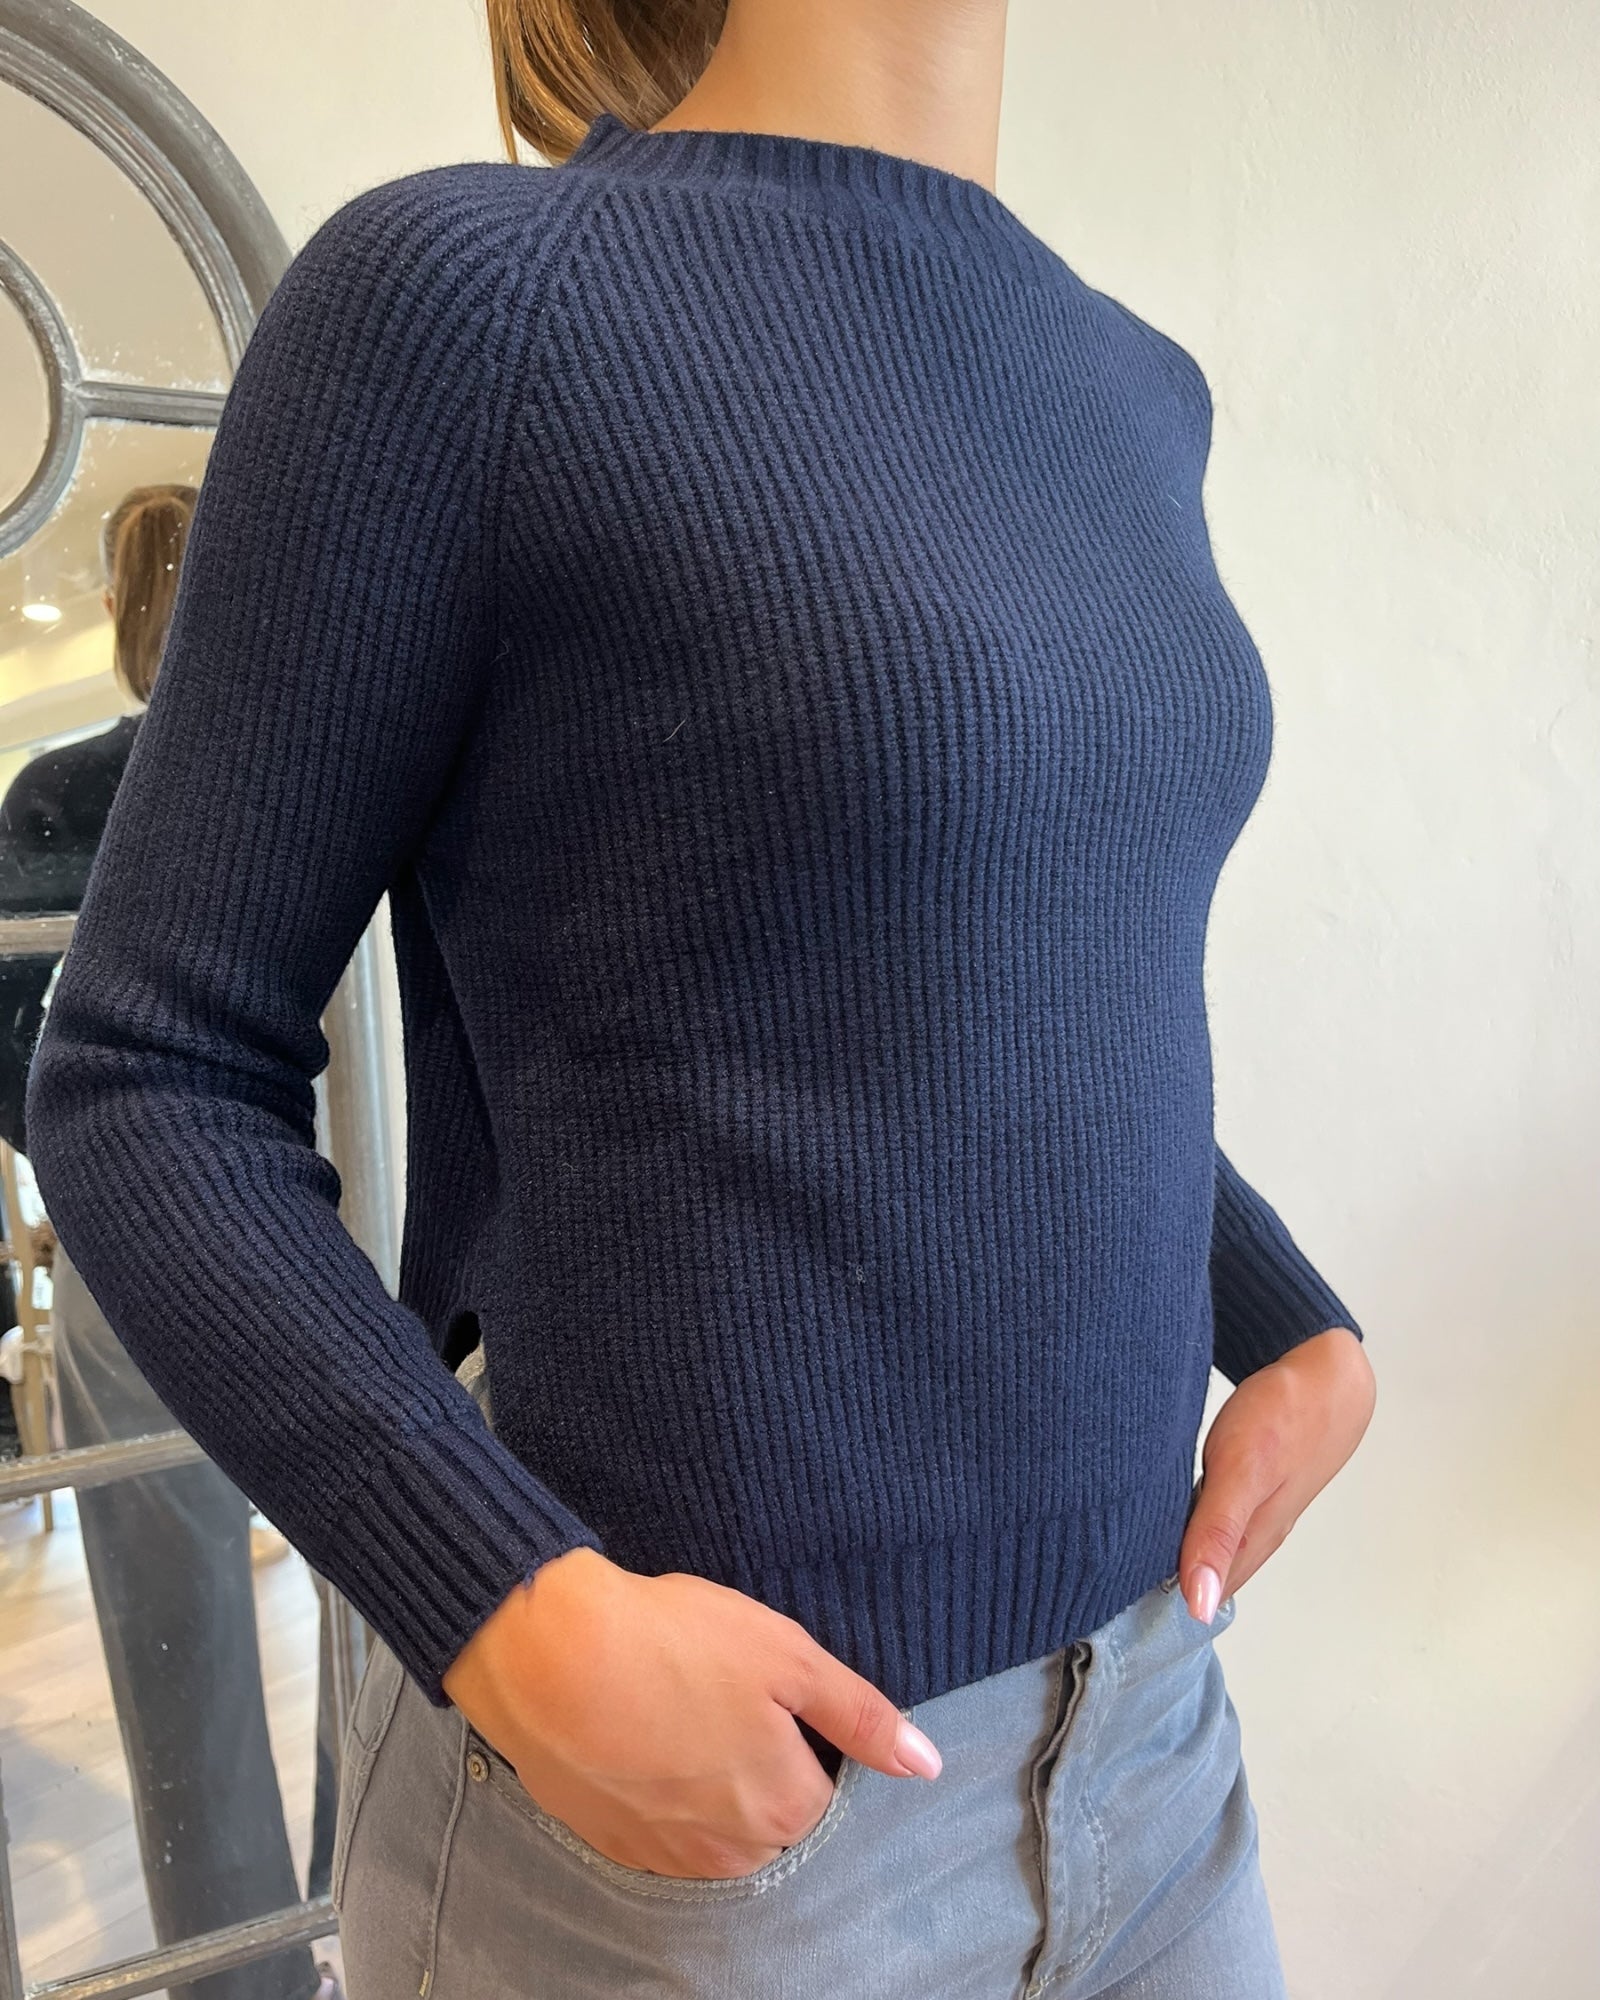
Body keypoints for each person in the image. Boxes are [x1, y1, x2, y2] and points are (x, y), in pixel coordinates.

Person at [22, 2, 1378, 1994]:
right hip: (711, 1838)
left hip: (1151, 1737)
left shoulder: (1130, 386)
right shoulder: (469, 303)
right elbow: (149, 1071)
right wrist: (512, 1614)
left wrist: (1284, 1317)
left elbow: (990, 991)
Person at [0, 486, 340, 2000]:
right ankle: (373, 1908)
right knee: (406, 1584)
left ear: (121, 605)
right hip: (341, 1200)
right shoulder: (334, 766)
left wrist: (106, 1156)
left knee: (173, 1626)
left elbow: (15, 1062)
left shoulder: (68, 791)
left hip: (135, 1229)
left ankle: (238, 1973)